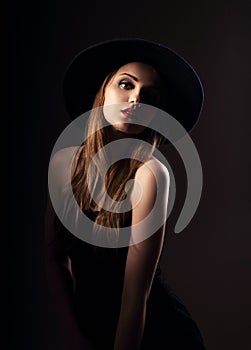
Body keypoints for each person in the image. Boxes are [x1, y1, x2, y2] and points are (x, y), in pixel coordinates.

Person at [45, 38, 206, 350]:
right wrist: (72, 333)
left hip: (154, 334)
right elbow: (54, 257)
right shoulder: (63, 163)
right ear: (104, 89)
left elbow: (136, 297)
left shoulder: (150, 173)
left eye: (149, 96)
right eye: (125, 84)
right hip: (91, 329)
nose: (135, 99)